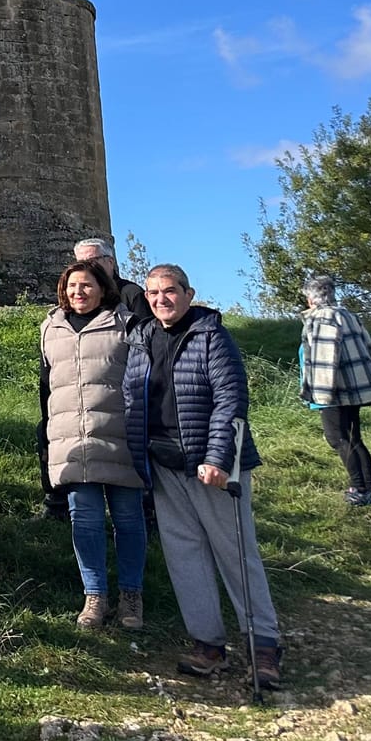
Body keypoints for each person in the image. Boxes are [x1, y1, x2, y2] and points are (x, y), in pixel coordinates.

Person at [124, 265, 283, 689]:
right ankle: (208, 644)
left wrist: (217, 457)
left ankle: (263, 645)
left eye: (170, 291)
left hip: (211, 464)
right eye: (154, 293)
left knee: (236, 552)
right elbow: (131, 399)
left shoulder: (210, 334)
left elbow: (231, 398)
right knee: (184, 555)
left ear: (188, 293)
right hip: (163, 463)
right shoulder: (141, 338)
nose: (162, 299)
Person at [40, 261, 146, 630]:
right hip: (72, 439)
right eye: (72, 286)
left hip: (119, 435)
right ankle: (95, 595)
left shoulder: (126, 324)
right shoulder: (50, 328)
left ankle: (131, 596)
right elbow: (48, 388)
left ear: (103, 289)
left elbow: (141, 381)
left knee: (128, 520)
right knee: (84, 521)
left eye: (86, 285)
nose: (78, 293)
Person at [34, 236, 151, 520]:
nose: (86, 268)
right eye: (80, 262)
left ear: (110, 262)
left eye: (93, 261)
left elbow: (143, 355)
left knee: (126, 505)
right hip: (70, 407)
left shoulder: (131, 297)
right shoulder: (60, 316)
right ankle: (56, 504)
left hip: (115, 409)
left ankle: (147, 513)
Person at [298, 272, 371, 507]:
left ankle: (358, 488)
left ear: (311, 299)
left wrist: (321, 394)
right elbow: (370, 347)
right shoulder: (347, 315)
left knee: (336, 438)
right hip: (355, 388)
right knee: (354, 437)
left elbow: (324, 357)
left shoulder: (321, 318)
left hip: (333, 389)